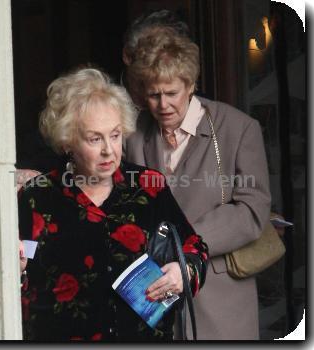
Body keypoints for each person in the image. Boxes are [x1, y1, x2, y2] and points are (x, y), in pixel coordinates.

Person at [18, 67, 208, 341]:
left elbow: (195, 248)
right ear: (68, 140)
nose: (109, 149)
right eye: (95, 138)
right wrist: (16, 269)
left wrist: (184, 272)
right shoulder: (38, 196)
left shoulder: (148, 187)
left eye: (116, 135)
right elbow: (16, 274)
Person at [124, 26, 271, 340]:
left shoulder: (238, 128)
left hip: (219, 301)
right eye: (153, 94)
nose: (163, 105)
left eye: (172, 93)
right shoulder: (132, 133)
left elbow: (252, 209)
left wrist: (184, 246)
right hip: (151, 299)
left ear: (190, 84)